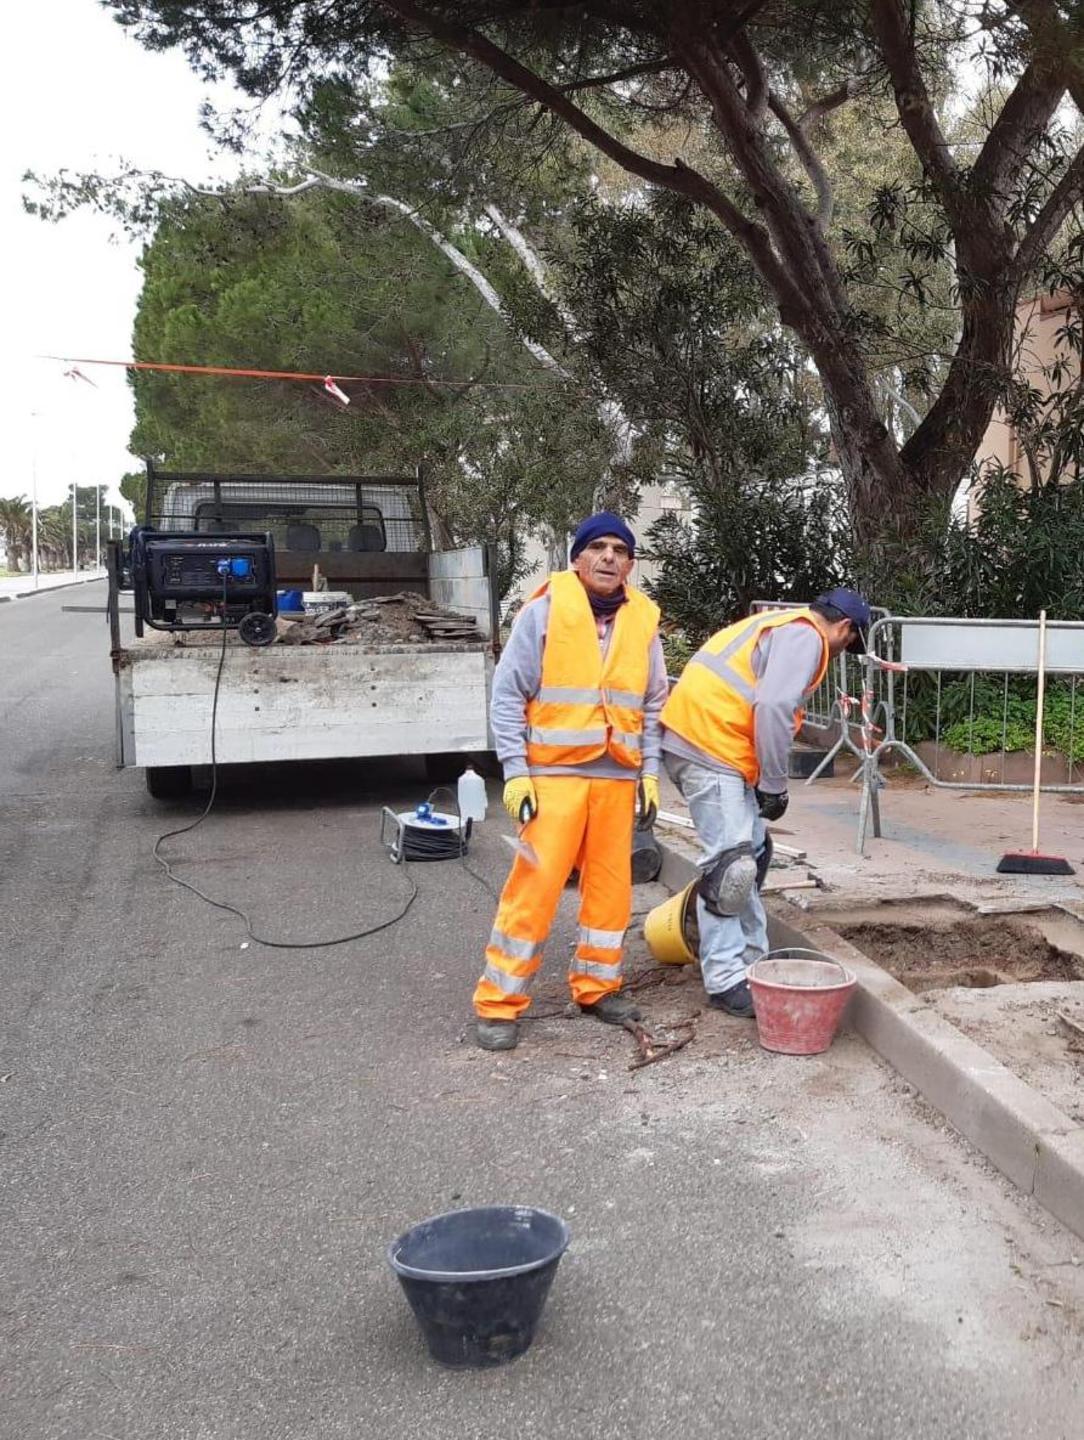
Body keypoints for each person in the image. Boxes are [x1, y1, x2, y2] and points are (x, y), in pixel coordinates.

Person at [472, 512, 669, 1051]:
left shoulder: (643, 620)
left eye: (619, 550)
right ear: (577, 557)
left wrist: (648, 776)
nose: (609, 557)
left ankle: (598, 988)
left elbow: (653, 704)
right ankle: (499, 1003)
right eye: (598, 547)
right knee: (534, 890)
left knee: (611, 891)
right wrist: (516, 773)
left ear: (630, 564)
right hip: (554, 776)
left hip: (616, 779)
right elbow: (508, 696)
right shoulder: (544, 611)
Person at [660, 588, 871, 1017]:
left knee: (752, 854)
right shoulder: (807, 637)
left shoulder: (778, 626)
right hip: (710, 746)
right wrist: (774, 785)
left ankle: (753, 963)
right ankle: (724, 979)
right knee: (731, 868)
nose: (843, 651)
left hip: (707, 744)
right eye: (849, 643)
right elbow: (773, 707)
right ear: (845, 628)